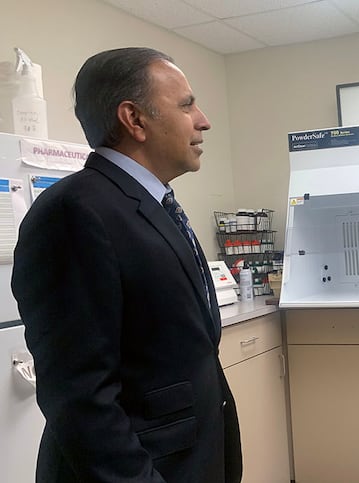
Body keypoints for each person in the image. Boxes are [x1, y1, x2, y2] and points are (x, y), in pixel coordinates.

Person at [12, 47, 242, 483]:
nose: (203, 120)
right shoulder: (74, 213)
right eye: (187, 104)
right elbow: (81, 398)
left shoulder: (149, 205)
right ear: (134, 120)